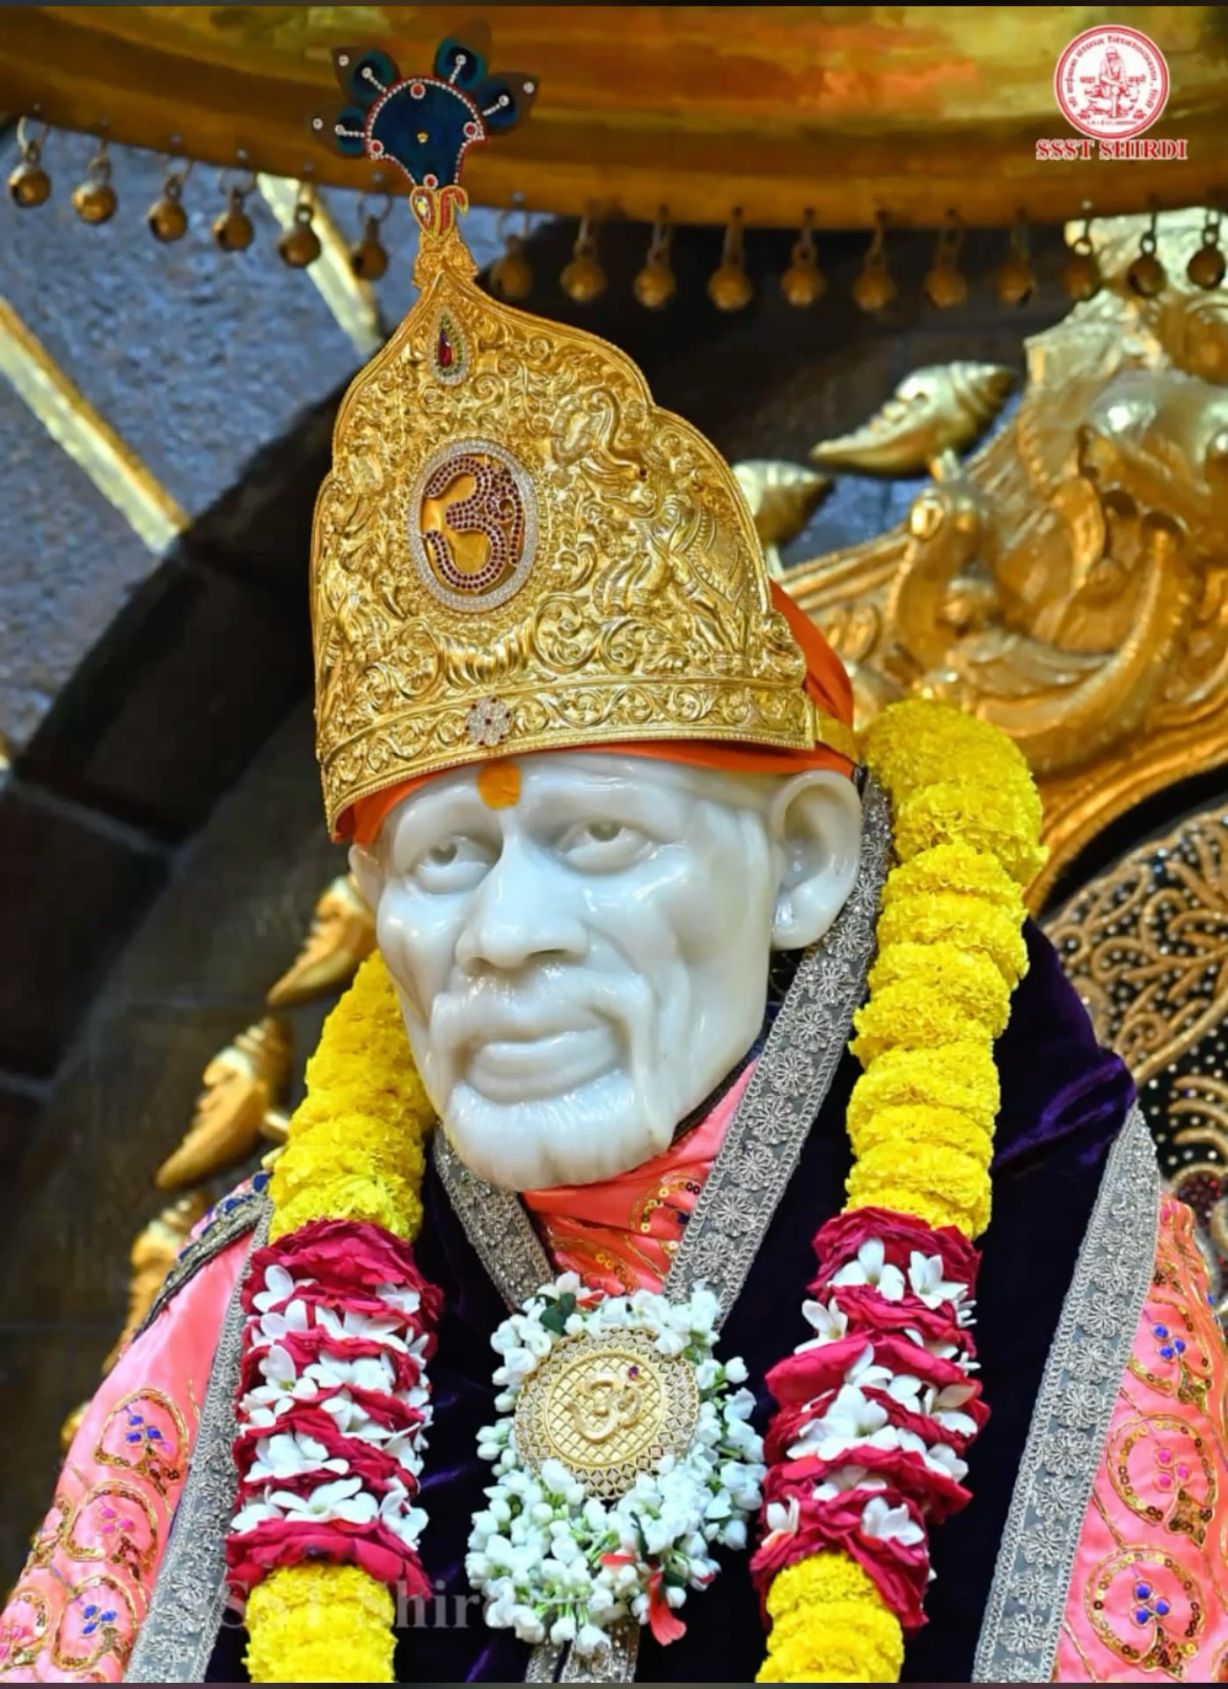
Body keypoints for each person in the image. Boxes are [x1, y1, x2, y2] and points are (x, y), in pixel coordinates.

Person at [3, 39, 1225, 1687]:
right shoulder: (255, 1302)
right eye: (438, 859)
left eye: (594, 838)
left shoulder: (1048, 1247)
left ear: (800, 865)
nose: (502, 934)